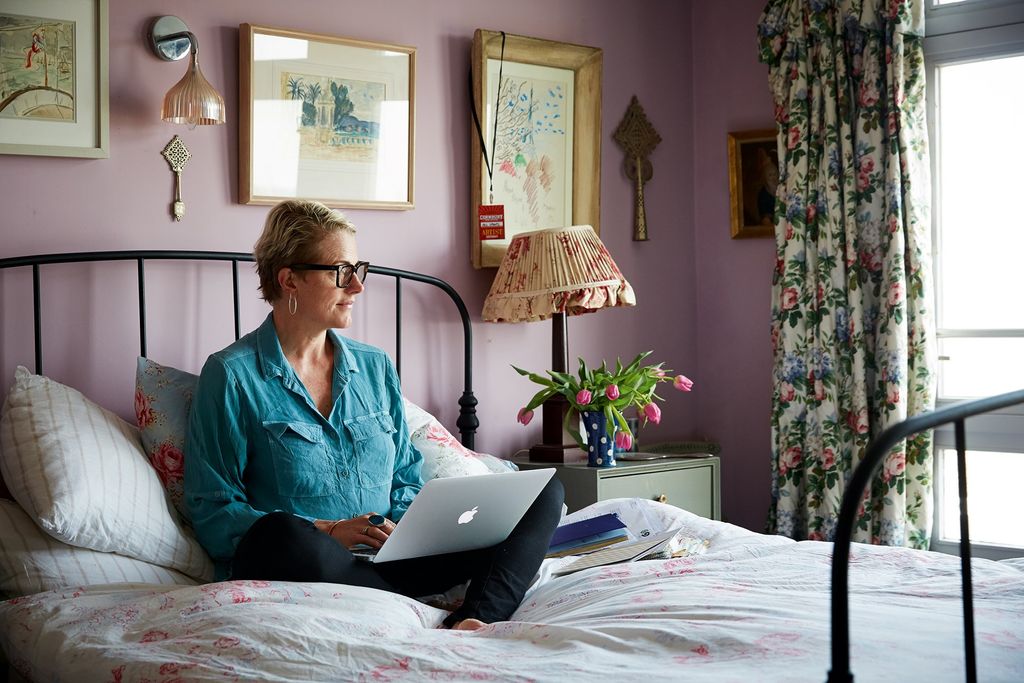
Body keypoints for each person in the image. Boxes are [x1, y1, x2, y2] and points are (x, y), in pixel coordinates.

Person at [185, 199, 564, 630]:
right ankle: (384, 596)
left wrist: (409, 529)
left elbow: (405, 475)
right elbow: (214, 510)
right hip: (310, 561)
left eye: (358, 269)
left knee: (543, 490)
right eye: (340, 271)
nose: (357, 287)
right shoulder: (232, 375)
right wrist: (328, 531)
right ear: (288, 279)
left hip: (396, 559)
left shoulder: (375, 366)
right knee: (280, 532)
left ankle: (475, 617)